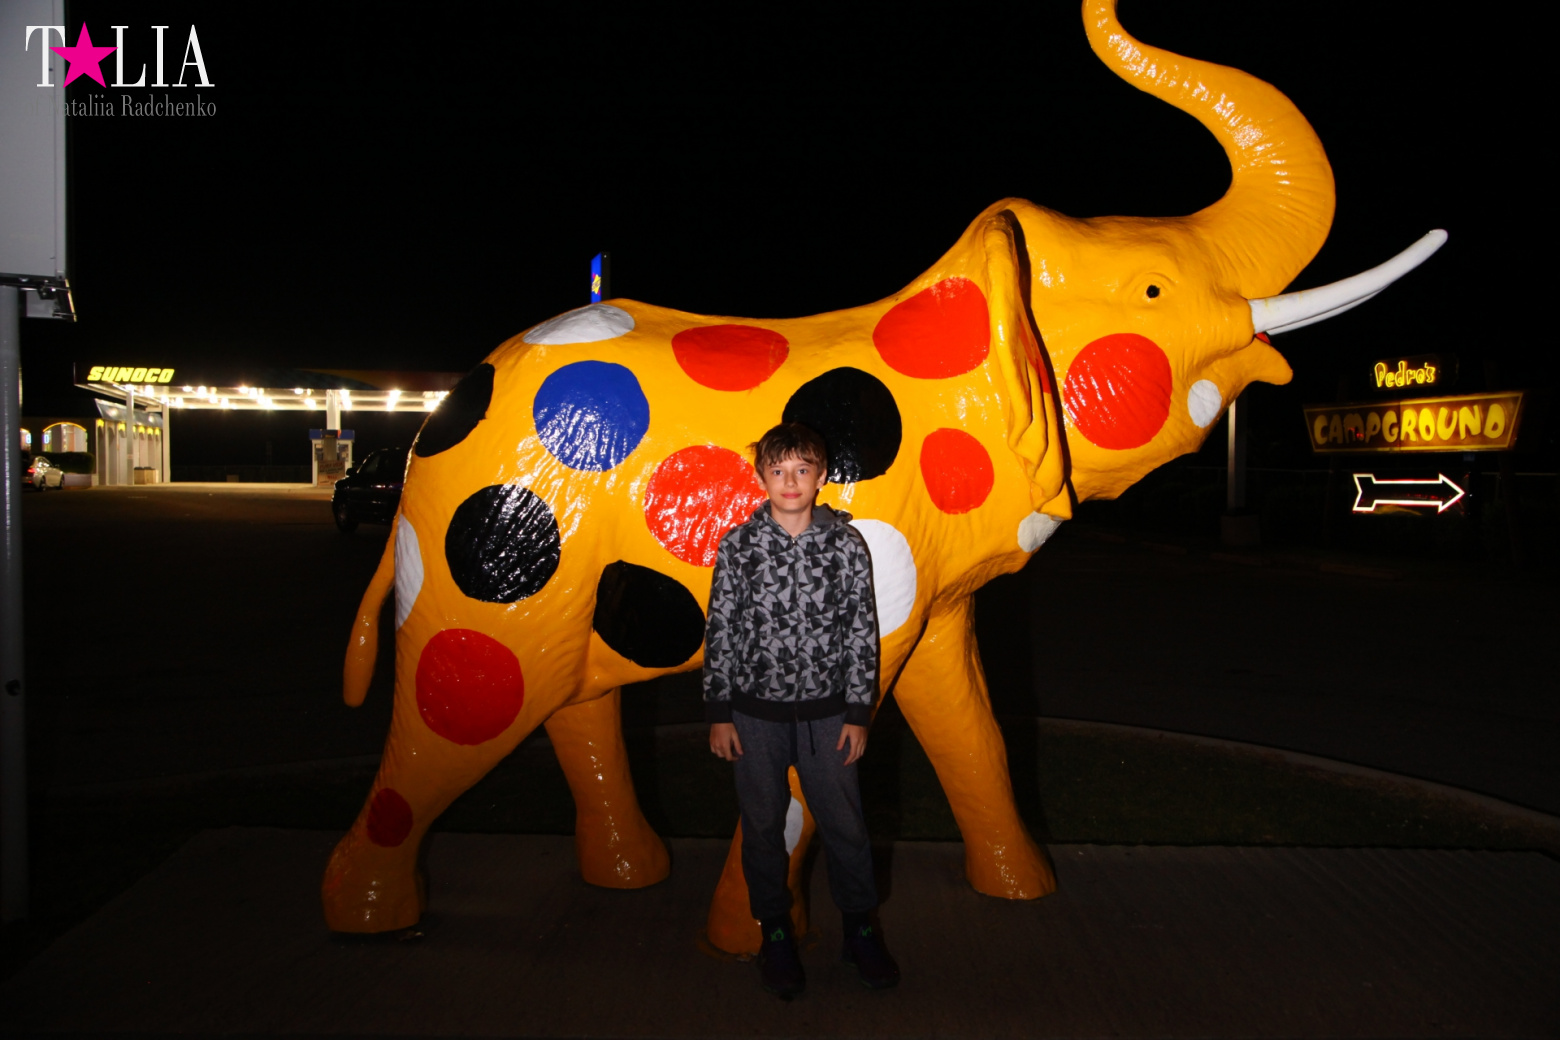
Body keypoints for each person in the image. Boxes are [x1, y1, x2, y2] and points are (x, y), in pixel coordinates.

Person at [704, 421, 900, 1000]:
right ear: (762, 475)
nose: (790, 481)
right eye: (778, 470)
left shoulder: (846, 545)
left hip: (828, 718)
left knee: (846, 828)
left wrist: (858, 711)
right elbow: (721, 630)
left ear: (821, 476)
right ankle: (776, 934)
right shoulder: (738, 547)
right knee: (763, 829)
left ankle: (861, 929)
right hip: (752, 718)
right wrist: (719, 710)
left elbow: (863, 632)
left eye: (803, 469)